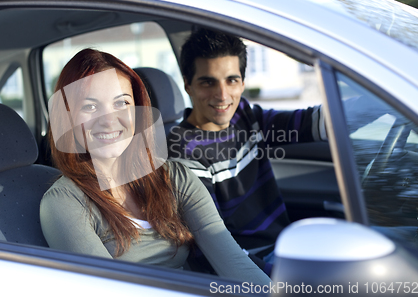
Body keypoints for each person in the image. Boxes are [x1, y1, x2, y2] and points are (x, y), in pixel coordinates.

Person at [40, 48, 271, 285]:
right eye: (90, 107)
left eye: (122, 103)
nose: (109, 120)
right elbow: (107, 290)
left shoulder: (176, 177)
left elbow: (234, 263)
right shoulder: (64, 202)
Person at [167, 29, 328, 276]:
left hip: (283, 246)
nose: (222, 96)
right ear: (188, 84)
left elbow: (310, 123)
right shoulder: (183, 151)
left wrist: (371, 103)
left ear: (242, 83)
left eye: (231, 80)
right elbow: (213, 246)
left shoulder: (242, 114)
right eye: (208, 82)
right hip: (250, 266)